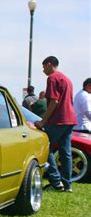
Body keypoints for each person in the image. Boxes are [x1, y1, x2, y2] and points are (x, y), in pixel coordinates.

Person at [34, 56, 77, 192]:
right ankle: (67, 185)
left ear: (49, 64)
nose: (43, 70)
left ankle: (56, 182)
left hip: (58, 120)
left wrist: (43, 121)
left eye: (43, 67)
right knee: (66, 152)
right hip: (70, 119)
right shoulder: (67, 79)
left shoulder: (52, 78)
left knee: (46, 147)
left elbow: (54, 101)